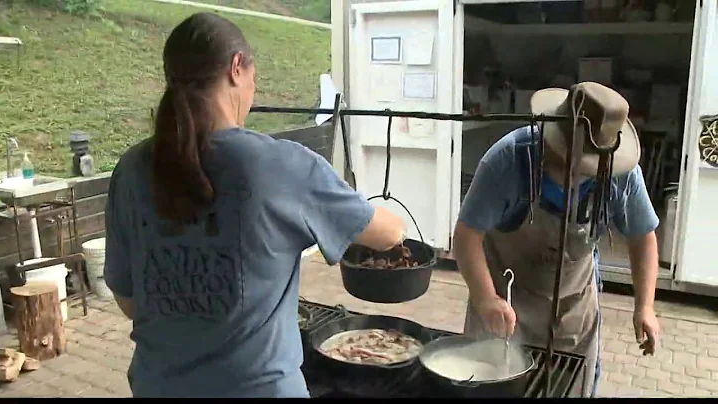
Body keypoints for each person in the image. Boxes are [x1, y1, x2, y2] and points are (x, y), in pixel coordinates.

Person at [102, 12, 406, 398]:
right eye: (253, 79)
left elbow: (129, 300)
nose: (252, 91)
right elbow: (388, 234)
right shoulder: (280, 165)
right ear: (235, 69)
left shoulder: (130, 169)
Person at [453, 82, 661, 397]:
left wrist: (644, 306)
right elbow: (466, 237)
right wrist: (485, 299)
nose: (573, 175)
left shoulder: (621, 175)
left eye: (585, 168)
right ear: (550, 137)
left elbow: (643, 237)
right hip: (504, 304)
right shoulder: (507, 161)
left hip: (572, 312)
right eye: (566, 161)